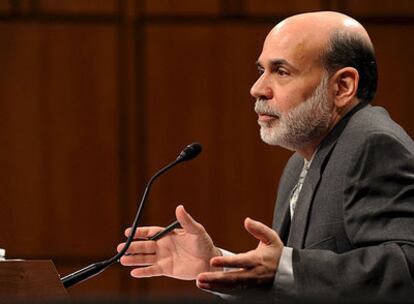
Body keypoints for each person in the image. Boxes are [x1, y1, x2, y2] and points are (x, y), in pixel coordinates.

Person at [117, 11, 414, 301]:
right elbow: (293, 287)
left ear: (343, 86)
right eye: (262, 70)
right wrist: (218, 264)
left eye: (281, 72)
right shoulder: (301, 161)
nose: (257, 89)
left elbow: (407, 269)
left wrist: (285, 266)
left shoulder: (373, 144)